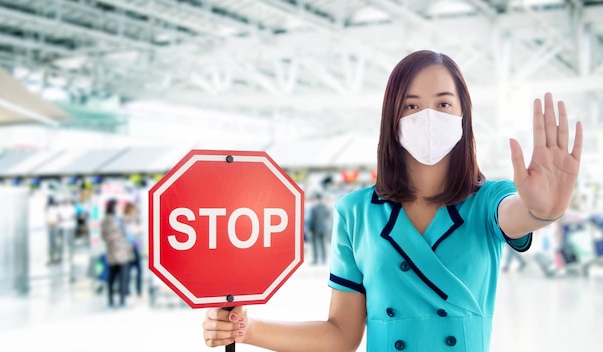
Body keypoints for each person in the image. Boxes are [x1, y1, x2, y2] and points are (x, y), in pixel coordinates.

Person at [201, 50, 583, 351]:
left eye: (444, 104)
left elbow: (518, 214)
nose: (428, 116)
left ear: (464, 117)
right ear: (391, 119)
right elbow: (341, 335)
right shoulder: (355, 213)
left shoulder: (487, 202)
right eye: (411, 106)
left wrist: (543, 210)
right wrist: (249, 329)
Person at [101, 198, 134, 308]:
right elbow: (105, 235)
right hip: (113, 252)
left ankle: (122, 300)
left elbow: (130, 221)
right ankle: (111, 300)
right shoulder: (107, 220)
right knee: (112, 277)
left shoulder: (119, 218)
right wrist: (118, 238)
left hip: (123, 252)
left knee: (124, 277)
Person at [122, 201, 143, 299]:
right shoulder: (126, 220)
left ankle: (133, 291)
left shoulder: (132, 220)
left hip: (133, 247)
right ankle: (130, 291)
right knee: (131, 270)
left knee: (133, 270)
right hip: (130, 247)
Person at [309, 193, 331, 265]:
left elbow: (312, 219)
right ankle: (324, 259)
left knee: (315, 244)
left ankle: (316, 259)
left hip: (315, 228)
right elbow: (327, 216)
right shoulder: (325, 207)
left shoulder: (314, 208)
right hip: (324, 228)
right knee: (323, 244)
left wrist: (310, 229)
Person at [45, 196, 62, 264]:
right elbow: (46, 218)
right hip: (49, 227)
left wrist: (53, 223)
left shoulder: (57, 208)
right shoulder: (47, 209)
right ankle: (51, 257)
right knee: (51, 243)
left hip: (55, 226)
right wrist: (48, 224)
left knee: (56, 242)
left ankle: (58, 256)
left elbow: (60, 218)